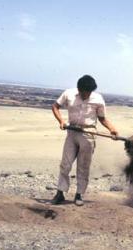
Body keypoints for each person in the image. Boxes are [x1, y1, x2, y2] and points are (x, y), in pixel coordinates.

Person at [51, 75, 119, 206]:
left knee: (83, 166)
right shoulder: (68, 94)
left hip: (88, 134)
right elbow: (55, 107)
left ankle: (79, 194)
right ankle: (60, 193)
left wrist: (112, 129)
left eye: (89, 93)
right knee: (65, 164)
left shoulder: (98, 99)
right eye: (84, 92)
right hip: (72, 132)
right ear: (79, 89)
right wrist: (61, 121)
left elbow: (102, 118)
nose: (86, 95)